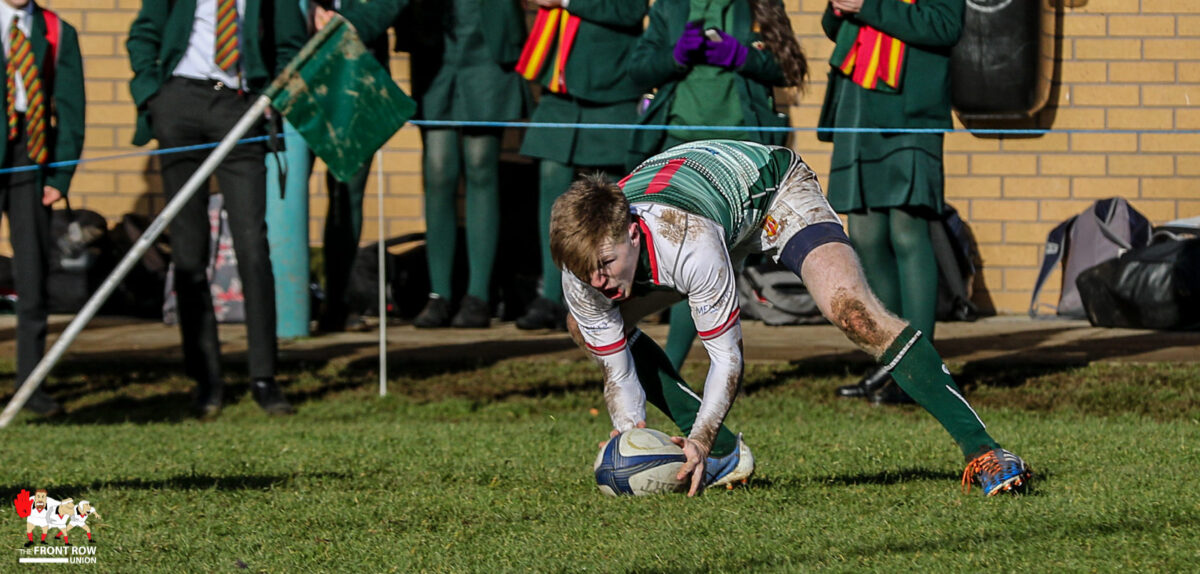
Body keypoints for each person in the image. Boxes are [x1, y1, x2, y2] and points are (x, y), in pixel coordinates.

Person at [550, 139, 1032, 497]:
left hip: (770, 191)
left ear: (632, 234)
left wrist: (698, 436)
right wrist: (629, 433)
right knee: (583, 324)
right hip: (706, 205)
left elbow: (727, 360)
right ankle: (720, 458)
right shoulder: (585, 266)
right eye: (585, 271)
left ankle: (984, 449)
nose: (597, 282)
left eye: (605, 266)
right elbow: (617, 370)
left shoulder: (688, 242)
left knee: (854, 313)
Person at [127, 0, 307, 417]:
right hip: (179, 102)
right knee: (190, 250)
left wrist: (269, 98)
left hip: (239, 107)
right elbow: (143, 34)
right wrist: (153, 94)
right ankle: (205, 379)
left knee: (253, 247)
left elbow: (293, 46)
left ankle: (264, 377)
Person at [627, 0, 807, 372]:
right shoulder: (669, 8)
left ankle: (702, 372)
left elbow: (790, 68)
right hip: (676, 147)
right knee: (676, 257)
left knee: (716, 261)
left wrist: (742, 57)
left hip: (738, 154)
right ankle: (669, 373)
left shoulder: (759, 5)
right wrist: (675, 56)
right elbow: (637, 70)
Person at [817, 0, 963, 404]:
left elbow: (944, 27)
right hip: (857, 101)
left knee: (907, 230)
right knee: (864, 231)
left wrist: (868, 5)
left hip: (909, 107)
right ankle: (892, 359)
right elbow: (835, 28)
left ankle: (922, 371)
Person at [514, 0, 649, 331]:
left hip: (610, 85)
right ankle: (550, 293)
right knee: (550, 183)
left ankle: (609, 293)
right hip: (559, 85)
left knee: (613, 200)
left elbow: (630, 11)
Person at [401, 0, 531, 329]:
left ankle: (478, 296)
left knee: (480, 164)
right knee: (439, 169)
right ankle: (439, 294)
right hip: (435, 41)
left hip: (487, 41)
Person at [0, 0, 84, 417]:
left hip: (30, 158)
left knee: (32, 272)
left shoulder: (55, 29)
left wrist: (60, 176)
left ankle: (31, 386)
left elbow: (71, 107)